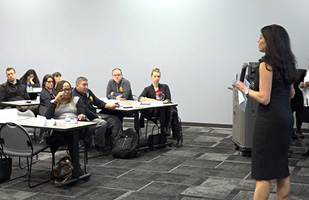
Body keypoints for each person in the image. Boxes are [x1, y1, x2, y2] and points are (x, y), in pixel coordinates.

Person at [236, 24, 297, 200]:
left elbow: (264, 98)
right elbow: (291, 93)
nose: (258, 40)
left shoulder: (266, 64)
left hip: (269, 120)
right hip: (285, 117)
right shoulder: (288, 63)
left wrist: (244, 89)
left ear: (270, 41)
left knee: (263, 173)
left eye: (261, 37)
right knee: (281, 170)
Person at [73, 76, 122, 154]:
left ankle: (116, 145)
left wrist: (110, 105)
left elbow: (98, 102)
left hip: (94, 114)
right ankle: (99, 147)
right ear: (77, 85)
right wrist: (96, 116)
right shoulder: (75, 96)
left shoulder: (88, 92)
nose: (86, 87)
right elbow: (85, 111)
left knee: (115, 120)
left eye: (87, 85)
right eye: (84, 85)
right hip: (86, 118)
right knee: (102, 123)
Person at [138, 68, 182, 145]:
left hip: (165, 110)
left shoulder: (165, 87)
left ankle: (168, 129)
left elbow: (168, 100)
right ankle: (175, 134)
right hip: (153, 112)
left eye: (158, 76)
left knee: (173, 110)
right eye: (155, 76)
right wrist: (153, 100)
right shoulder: (147, 89)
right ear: (151, 77)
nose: (156, 78)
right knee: (173, 112)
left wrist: (161, 102)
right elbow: (140, 98)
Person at [45, 80, 87, 155]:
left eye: (69, 89)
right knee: (64, 135)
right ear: (59, 91)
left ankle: (74, 163)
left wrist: (81, 116)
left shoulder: (76, 100)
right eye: (64, 90)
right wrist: (56, 101)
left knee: (72, 135)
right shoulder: (53, 102)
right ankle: (74, 163)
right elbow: (48, 116)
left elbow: (82, 113)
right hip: (59, 128)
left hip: (74, 127)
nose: (67, 92)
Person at [290, 69, 306, 139]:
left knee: (298, 114)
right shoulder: (301, 73)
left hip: (297, 95)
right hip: (294, 95)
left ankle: (297, 130)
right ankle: (295, 131)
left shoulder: (303, 73)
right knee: (294, 114)